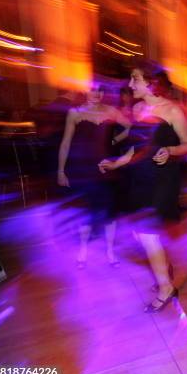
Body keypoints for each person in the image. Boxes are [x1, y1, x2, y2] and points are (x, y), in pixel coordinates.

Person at [98, 61, 187, 312]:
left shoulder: (172, 110)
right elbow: (135, 149)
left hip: (163, 179)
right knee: (142, 233)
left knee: (148, 233)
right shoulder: (137, 109)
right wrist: (116, 163)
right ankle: (165, 270)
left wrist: (170, 150)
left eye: (135, 79)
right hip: (140, 178)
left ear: (150, 83)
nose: (130, 85)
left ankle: (166, 289)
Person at [57, 83, 130, 269]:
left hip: (106, 168)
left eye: (99, 90)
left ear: (103, 93)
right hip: (83, 169)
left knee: (109, 212)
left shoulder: (111, 111)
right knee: (86, 211)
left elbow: (130, 126)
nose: (96, 93)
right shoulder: (75, 112)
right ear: (85, 91)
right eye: (92, 89)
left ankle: (110, 251)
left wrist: (115, 140)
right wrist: (61, 170)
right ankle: (83, 250)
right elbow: (65, 143)